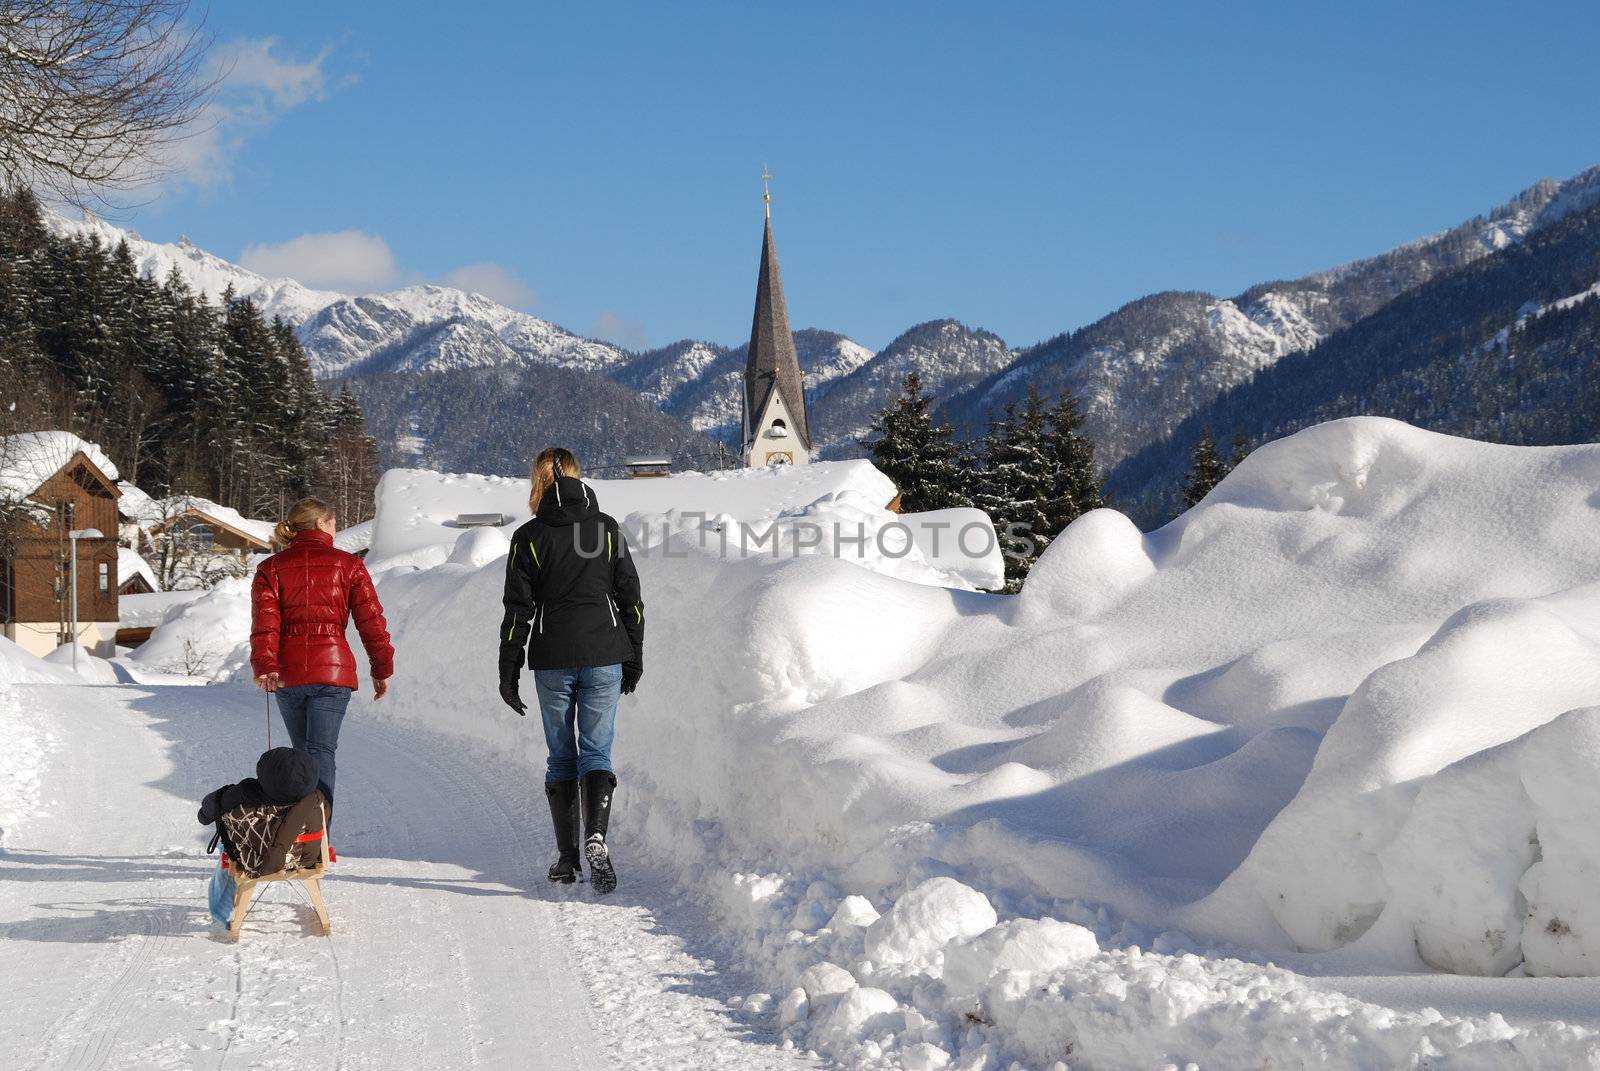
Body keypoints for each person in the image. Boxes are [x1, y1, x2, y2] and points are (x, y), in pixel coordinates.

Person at [499, 447, 643, 894]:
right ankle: (596, 836)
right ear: (579, 479)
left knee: (561, 756)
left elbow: (517, 611)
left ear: (538, 483)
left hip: (552, 658)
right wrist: (633, 654)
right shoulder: (606, 530)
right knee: (596, 752)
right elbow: (631, 599)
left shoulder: (527, 538)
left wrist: (509, 670)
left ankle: (567, 860)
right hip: (605, 652)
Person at [250, 497, 393, 823]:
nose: (336, 528)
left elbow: (264, 624)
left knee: (302, 753)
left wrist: (266, 666)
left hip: (288, 674)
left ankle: (300, 831)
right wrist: (381, 668)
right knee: (321, 752)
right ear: (320, 524)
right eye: (333, 522)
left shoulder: (270, 568)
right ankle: (318, 830)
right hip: (332, 672)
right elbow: (371, 621)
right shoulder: (349, 565)